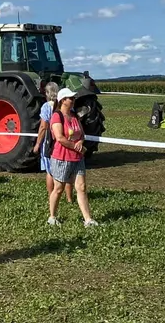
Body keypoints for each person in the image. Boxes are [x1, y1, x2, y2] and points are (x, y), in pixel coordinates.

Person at [47, 87, 98, 228]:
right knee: (59, 188)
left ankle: (88, 219)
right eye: (71, 98)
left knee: (81, 187)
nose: (73, 100)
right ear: (63, 100)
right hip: (61, 157)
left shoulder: (74, 116)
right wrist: (75, 146)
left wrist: (80, 142)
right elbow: (60, 138)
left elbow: (81, 133)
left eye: (73, 98)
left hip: (77, 158)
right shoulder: (57, 116)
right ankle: (52, 216)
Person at [32, 82, 70, 205]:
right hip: (64, 139)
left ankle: (52, 196)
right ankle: (69, 198)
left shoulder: (46, 107)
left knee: (50, 171)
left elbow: (43, 127)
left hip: (50, 141)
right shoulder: (64, 105)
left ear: (47, 93)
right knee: (68, 170)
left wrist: (38, 144)